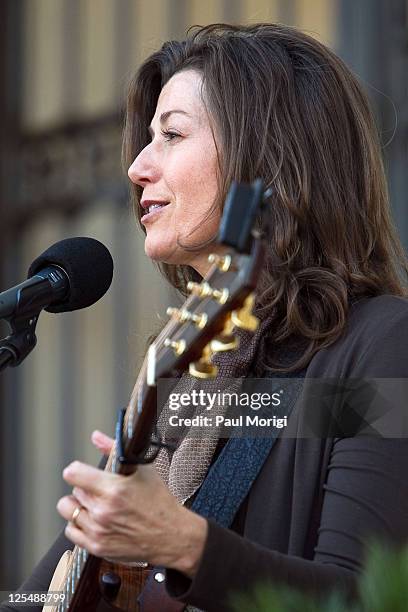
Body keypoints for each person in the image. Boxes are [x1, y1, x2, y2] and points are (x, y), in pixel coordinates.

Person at [2, 22, 408, 612]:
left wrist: (184, 543)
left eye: (171, 135)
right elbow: (38, 596)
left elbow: (366, 599)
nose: (139, 167)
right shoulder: (182, 383)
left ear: (267, 158)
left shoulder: (380, 343)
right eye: (147, 139)